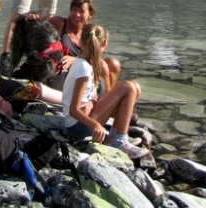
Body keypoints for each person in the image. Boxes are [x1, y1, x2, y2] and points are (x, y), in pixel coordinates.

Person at [62, 22, 148, 159]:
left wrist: (91, 103)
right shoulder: (83, 68)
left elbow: (89, 96)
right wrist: (95, 125)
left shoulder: (88, 64)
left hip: (83, 120)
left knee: (135, 87)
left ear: (80, 41)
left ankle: (115, 134)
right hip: (78, 127)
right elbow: (73, 109)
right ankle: (120, 142)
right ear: (104, 44)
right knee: (128, 87)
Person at [29, 0, 121, 92]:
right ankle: (107, 100)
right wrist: (32, 16)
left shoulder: (91, 31)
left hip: (82, 69)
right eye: (73, 10)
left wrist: (75, 60)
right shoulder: (60, 23)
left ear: (91, 14)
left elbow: (94, 55)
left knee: (113, 63)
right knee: (102, 64)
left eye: (81, 11)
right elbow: (39, 25)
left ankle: (109, 97)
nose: (76, 14)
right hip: (62, 72)